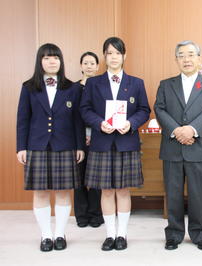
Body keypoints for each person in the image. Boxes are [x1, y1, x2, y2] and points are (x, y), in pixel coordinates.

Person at [80, 37, 150, 251]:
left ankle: (122, 234)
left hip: (126, 142)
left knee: (122, 190)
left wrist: (130, 123)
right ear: (104, 56)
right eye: (109, 53)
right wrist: (99, 123)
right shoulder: (93, 83)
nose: (113, 57)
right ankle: (110, 234)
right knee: (106, 191)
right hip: (102, 142)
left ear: (124, 56)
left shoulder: (136, 83)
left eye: (117, 53)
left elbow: (144, 110)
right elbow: (85, 110)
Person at [16, 43, 85, 252]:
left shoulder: (73, 88)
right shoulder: (28, 87)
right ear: (40, 61)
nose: (52, 61)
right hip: (36, 146)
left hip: (65, 146)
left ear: (61, 61)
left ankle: (60, 234)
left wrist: (80, 146)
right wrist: (21, 147)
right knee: (41, 192)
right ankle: (46, 235)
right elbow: (23, 119)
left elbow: (78, 120)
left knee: (64, 192)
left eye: (55, 57)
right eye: (47, 58)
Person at [154, 40, 202, 251]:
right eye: (181, 55)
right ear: (176, 60)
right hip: (172, 147)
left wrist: (191, 130)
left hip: (198, 147)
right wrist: (177, 131)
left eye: (191, 54)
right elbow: (160, 109)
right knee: (173, 193)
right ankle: (173, 234)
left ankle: (200, 234)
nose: (186, 59)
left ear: (199, 59)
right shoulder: (166, 84)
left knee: (199, 194)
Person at [73, 52, 104, 228]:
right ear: (80, 66)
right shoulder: (72, 88)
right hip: (77, 138)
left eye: (93, 63)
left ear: (98, 66)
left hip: (98, 136)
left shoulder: (101, 86)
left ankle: (95, 214)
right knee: (78, 178)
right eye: (86, 63)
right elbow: (71, 115)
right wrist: (80, 135)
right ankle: (81, 216)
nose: (89, 66)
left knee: (96, 179)